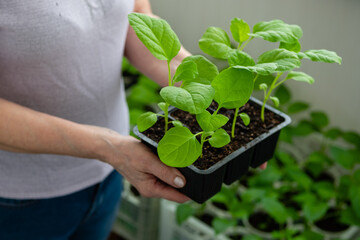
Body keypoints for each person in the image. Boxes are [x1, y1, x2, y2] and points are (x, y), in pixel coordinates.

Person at [0, 0, 267, 239]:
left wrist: (214, 94)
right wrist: (107, 148)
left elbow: (134, 17)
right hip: (21, 197)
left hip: (111, 169)